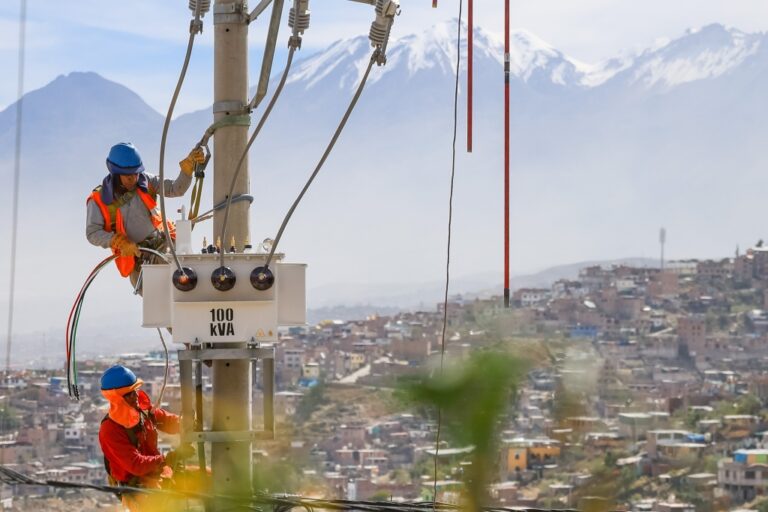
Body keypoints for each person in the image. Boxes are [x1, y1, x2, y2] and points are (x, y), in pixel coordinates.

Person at [86, 142, 205, 287]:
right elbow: (92, 233)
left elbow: (175, 189)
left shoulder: (146, 181)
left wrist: (187, 171)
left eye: (136, 173)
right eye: (128, 176)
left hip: (165, 245)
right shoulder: (99, 200)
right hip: (139, 261)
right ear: (115, 174)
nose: (134, 179)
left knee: (189, 282)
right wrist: (118, 241)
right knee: (157, 299)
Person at [98, 365, 196, 510]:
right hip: (139, 488)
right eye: (128, 394)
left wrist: (185, 423)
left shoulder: (142, 411)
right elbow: (136, 465)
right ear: (115, 398)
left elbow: (167, 421)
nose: (135, 397)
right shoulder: (110, 429)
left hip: (161, 472)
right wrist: (170, 458)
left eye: (135, 391)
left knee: (210, 478)